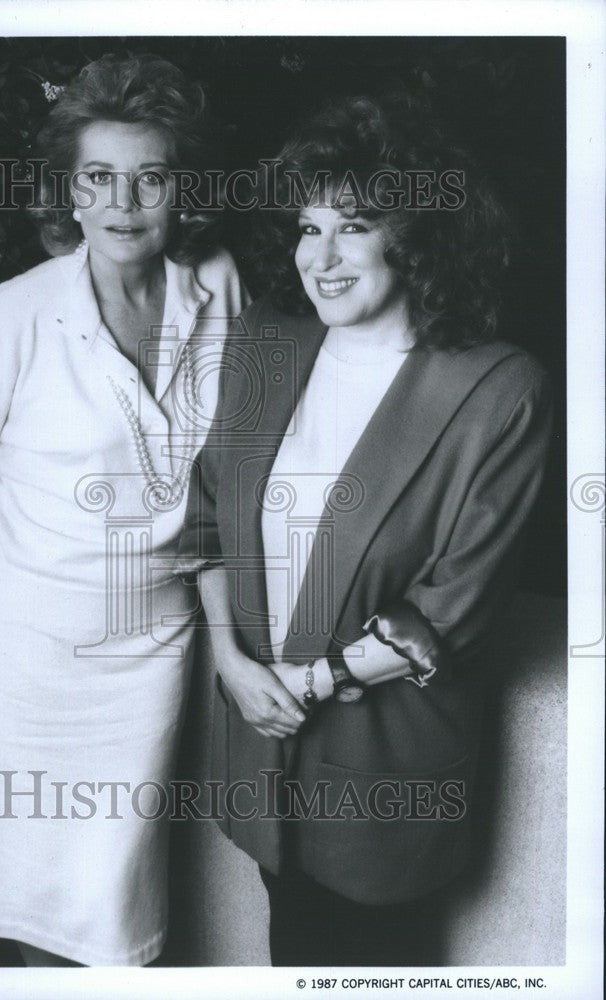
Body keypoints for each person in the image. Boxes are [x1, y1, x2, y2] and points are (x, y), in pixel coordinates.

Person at [179, 93, 552, 966]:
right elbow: (205, 518)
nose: (324, 256)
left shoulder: (499, 388)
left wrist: (301, 685)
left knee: (377, 967)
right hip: (258, 746)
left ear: (418, 234)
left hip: (389, 765)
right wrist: (231, 663)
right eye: (308, 228)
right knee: (292, 957)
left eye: (354, 224)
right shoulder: (262, 342)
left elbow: (456, 603)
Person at [0, 52, 246, 967]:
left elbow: (231, 462)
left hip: (156, 646)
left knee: (117, 909)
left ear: (182, 189)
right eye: (99, 177)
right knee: (40, 899)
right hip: (25, 661)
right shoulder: (18, 312)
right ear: (70, 192)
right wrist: (5, 559)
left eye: (151, 177)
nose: (124, 201)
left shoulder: (219, 287)